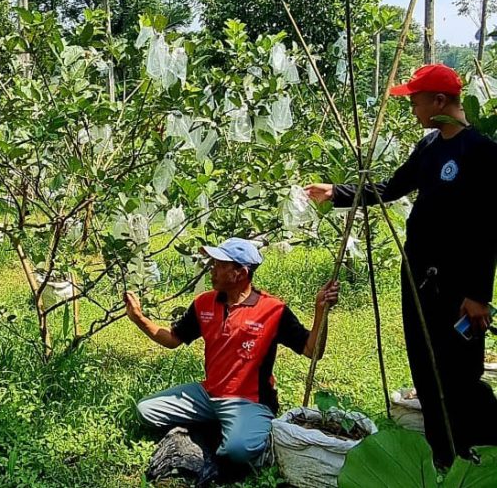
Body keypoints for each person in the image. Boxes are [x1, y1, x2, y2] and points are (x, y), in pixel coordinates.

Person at [304, 64, 497, 466]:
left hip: (460, 288)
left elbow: (487, 227)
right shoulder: (428, 147)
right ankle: (441, 456)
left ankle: (481, 447)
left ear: (440, 101)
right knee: (425, 369)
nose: (412, 107)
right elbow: (393, 187)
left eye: (416, 100)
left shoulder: (480, 151)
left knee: (460, 374)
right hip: (418, 278)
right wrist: (337, 193)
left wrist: (479, 294)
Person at [125, 237, 339, 471]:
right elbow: (172, 339)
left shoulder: (273, 310)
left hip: (250, 401)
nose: (212, 270)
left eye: (219, 265)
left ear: (240, 273)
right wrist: (139, 318)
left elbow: (312, 351)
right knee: (146, 410)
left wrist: (320, 312)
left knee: (236, 451)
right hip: (208, 394)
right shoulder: (204, 303)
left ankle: (247, 429)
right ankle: (224, 424)